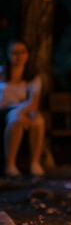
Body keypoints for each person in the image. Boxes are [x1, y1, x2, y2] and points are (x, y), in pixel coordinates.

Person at [0, 40, 45, 177]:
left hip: (24, 109)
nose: (19, 56)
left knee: (38, 120)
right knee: (17, 119)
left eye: (22, 52)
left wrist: (23, 110)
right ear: (8, 55)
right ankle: (10, 164)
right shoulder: (2, 73)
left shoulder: (33, 77)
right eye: (14, 53)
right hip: (4, 110)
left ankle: (35, 162)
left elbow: (33, 102)